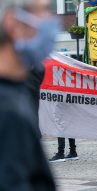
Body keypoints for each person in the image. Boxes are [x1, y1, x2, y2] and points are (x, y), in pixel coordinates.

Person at [0, 0, 59, 190]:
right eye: (42, 12)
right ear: (12, 22)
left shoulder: (17, 93)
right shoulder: (7, 110)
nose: (51, 21)